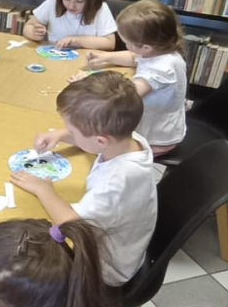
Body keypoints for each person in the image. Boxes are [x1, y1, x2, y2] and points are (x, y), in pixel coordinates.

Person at [11, 71, 157, 286]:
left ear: (101, 141)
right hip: (124, 243)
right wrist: (60, 135)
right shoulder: (129, 139)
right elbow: (94, 141)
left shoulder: (116, 182)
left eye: (72, 130)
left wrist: (44, 189)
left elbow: (70, 222)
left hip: (107, 269)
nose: (68, 132)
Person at [70, 0, 187, 155]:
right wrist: (106, 56)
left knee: (94, 143)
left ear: (146, 47)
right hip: (164, 125)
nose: (126, 46)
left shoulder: (160, 69)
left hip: (156, 139)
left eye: (126, 42)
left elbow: (124, 97)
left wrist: (89, 82)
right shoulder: (163, 50)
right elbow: (135, 57)